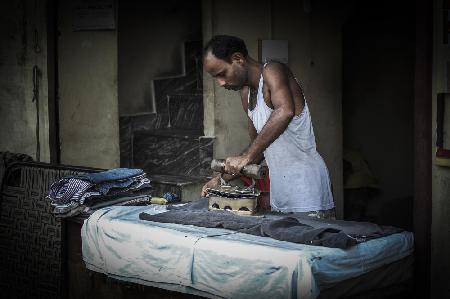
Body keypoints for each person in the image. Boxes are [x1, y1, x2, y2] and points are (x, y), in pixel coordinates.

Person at [201, 35, 334, 218]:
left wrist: (246, 156)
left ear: (238, 59)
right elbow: (259, 150)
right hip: (280, 194)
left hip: (307, 189)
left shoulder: (273, 70)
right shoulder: (246, 94)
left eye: (222, 74)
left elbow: (285, 111)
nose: (221, 83)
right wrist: (221, 179)